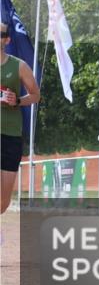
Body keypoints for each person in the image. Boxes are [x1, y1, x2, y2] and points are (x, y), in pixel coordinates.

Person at [0, 21, 41, 213]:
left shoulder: (19, 66)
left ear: (7, 40)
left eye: (0, 34)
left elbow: (35, 95)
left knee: (3, 201)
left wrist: (16, 100)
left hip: (11, 135)